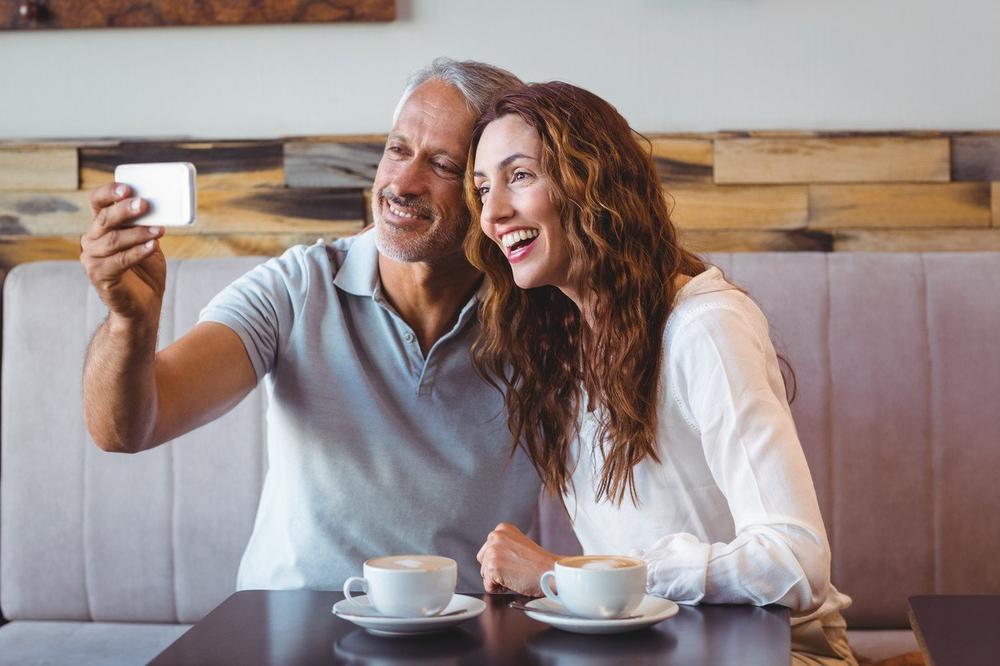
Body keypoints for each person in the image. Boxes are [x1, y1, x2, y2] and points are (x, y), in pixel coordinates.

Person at [78, 58, 541, 592]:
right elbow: (124, 428)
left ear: (491, 190)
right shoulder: (295, 288)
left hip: (462, 626)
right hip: (293, 621)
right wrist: (129, 322)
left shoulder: (544, 316)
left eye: (442, 164)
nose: (402, 182)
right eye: (397, 149)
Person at [467, 82, 857, 664]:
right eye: (481, 188)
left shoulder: (705, 328)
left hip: (781, 654)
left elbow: (797, 564)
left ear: (591, 182)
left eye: (519, 176)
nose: (493, 213)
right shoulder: (563, 346)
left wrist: (568, 573)